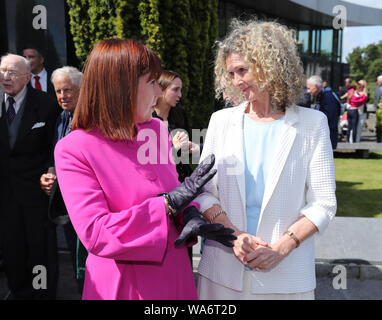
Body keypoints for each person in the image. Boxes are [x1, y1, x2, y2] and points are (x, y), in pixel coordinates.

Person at [53, 38, 236, 300]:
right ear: (121, 87)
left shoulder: (156, 130)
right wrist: (169, 204)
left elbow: (171, 191)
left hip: (175, 275)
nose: (159, 93)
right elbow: (96, 233)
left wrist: (189, 216)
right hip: (125, 286)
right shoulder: (74, 148)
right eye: (151, 83)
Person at [195, 19, 337, 300]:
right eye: (231, 73)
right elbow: (204, 191)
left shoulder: (312, 124)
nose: (236, 81)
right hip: (221, 275)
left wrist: (282, 247)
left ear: (269, 65)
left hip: (287, 278)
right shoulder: (221, 121)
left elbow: (323, 202)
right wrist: (234, 235)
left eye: (242, 70)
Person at [0, 54, 59, 299]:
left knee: (40, 250)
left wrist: (51, 171)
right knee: (11, 248)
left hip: (36, 193)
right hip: (4, 193)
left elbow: (55, 147)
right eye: (2, 71)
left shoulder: (46, 105)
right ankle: (17, 292)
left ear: (27, 77)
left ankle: (42, 295)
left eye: (12, 72)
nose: (6, 77)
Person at [39, 66, 85, 294]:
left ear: (81, 89)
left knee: (87, 266)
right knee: (78, 270)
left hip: (88, 206)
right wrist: (49, 174)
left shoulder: (91, 121)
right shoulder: (60, 118)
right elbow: (56, 157)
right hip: (66, 206)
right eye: (58, 91)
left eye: (67, 90)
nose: (62, 96)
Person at [153, 70, 198, 183]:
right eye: (175, 89)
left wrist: (191, 147)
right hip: (162, 182)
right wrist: (174, 147)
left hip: (185, 179)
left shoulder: (180, 115)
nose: (180, 95)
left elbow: (186, 156)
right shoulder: (148, 119)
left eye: (180, 90)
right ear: (161, 89)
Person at [306, 75, 341, 150]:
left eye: (309, 88)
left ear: (315, 86)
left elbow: (327, 117)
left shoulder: (328, 97)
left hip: (327, 136)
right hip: (324, 135)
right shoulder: (321, 95)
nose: (308, 91)